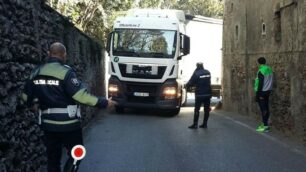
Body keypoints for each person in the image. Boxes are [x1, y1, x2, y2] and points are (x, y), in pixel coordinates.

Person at [20, 42, 116, 172]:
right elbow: (80, 96)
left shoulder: (36, 72)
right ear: (64, 55)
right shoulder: (66, 72)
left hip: (48, 124)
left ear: (49, 54)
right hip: (68, 125)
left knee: (53, 159)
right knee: (77, 152)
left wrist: (33, 104)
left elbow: (25, 97)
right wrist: (104, 102)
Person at [186, 62, 212, 129]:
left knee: (197, 109)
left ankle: (195, 124)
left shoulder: (196, 73)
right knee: (206, 109)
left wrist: (187, 87)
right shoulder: (208, 72)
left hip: (200, 94)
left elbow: (190, 83)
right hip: (208, 94)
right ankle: (205, 124)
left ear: (197, 66)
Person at [254, 57, 273, 132]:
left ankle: (265, 126)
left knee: (263, 109)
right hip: (268, 90)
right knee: (266, 108)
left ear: (258, 63)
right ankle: (265, 123)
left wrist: (258, 94)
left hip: (262, 91)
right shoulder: (269, 69)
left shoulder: (261, 70)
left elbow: (260, 83)